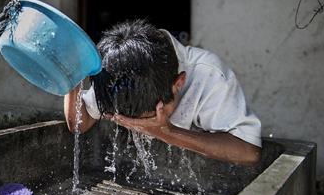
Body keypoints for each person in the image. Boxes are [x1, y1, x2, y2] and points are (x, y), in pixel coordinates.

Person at [64, 20, 261, 166]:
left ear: (179, 83)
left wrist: (166, 132)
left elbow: (249, 152)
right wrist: (71, 73)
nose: (139, 129)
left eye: (152, 117)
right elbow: (79, 124)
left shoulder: (209, 75)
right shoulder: (114, 75)